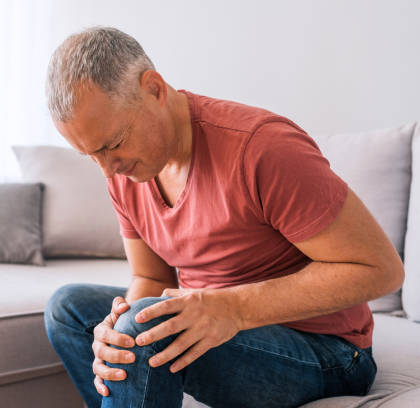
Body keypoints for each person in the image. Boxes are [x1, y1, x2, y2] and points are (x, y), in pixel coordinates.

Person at [42, 26, 404, 408]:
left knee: (148, 327)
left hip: (328, 353)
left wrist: (230, 307)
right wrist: (114, 331)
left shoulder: (260, 148)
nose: (108, 170)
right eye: (92, 155)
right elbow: (150, 277)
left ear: (154, 88)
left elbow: (381, 269)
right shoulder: (126, 171)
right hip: (221, 333)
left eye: (114, 144)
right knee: (68, 309)